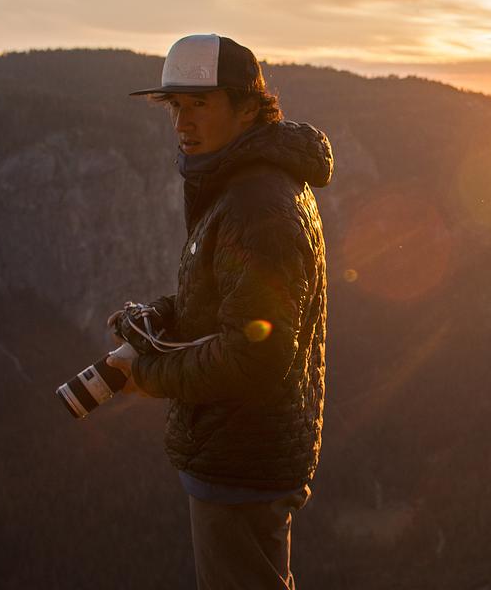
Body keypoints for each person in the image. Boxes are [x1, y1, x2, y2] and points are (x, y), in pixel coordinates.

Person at [104, 33, 333, 590]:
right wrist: (163, 317)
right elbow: (236, 303)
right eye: (175, 106)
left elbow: (256, 355)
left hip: (242, 456)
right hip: (243, 450)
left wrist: (146, 374)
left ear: (248, 108)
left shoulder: (256, 203)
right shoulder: (248, 183)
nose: (183, 122)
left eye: (200, 104)